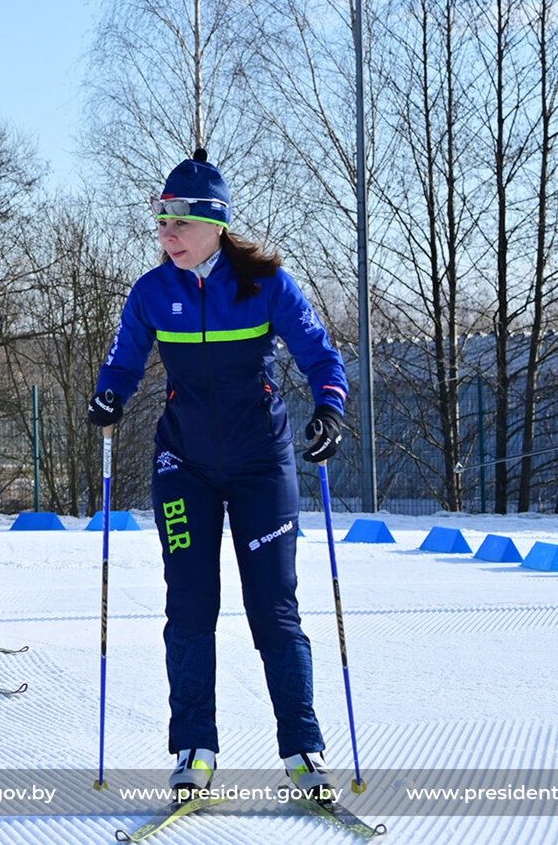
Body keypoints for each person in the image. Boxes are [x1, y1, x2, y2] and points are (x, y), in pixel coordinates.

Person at [87, 149, 349, 800]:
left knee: (273, 607)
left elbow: (320, 355)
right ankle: (194, 747)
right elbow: (122, 362)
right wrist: (109, 394)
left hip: (261, 462)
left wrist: (329, 408)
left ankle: (303, 749)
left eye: (179, 222)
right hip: (184, 465)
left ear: (215, 224)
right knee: (189, 603)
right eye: (161, 223)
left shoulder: (266, 284)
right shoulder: (152, 291)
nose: (166, 235)